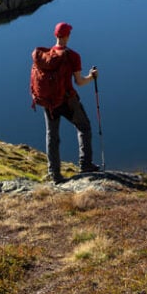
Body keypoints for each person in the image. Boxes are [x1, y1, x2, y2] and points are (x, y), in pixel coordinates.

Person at [44, 21, 99, 183]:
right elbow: (79, 82)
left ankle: (54, 173)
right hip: (67, 101)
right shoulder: (72, 56)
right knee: (84, 127)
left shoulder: (47, 55)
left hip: (49, 102)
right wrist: (92, 76)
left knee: (52, 135)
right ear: (67, 36)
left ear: (56, 35)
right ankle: (85, 164)